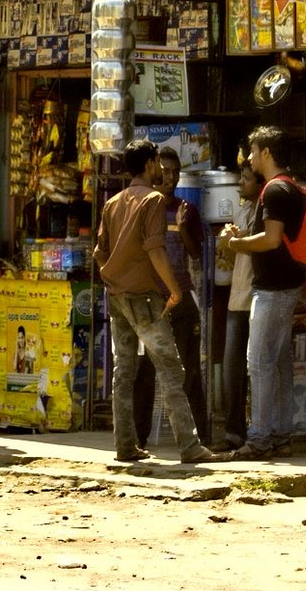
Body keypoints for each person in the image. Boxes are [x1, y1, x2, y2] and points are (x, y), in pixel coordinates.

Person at [94, 138, 225, 465]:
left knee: (123, 372)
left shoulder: (113, 203)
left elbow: (99, 252)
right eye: (157, 162)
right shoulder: (152, 200)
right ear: (150, 164)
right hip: (145, 297)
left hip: (118, 296)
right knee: (170, 368)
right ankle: (189, 446)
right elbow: (155, 249)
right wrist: (175, 290)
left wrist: (113, 280)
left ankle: (125, 445)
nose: (160, 169)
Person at [218, 126, 306, 461]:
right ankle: (280, 435)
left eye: (253, 151)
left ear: (267, 152)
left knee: (259, 363)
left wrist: (234, 243)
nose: (250, 158)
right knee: (279, 363)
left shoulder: (274, 191)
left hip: (273, 289)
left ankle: (259, 438)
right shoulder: (288, 188)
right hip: (285, 285)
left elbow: (271, 240)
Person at [132, 146, 209, 448]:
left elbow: (194, 252)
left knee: (190, 367)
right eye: (166, 172)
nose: (171, 178)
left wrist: (184, 224)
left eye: (176, 173)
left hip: (182, 293)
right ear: (153, 171)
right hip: (152, 297)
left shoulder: (187, 209)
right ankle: (138, 437)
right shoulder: (142, 207)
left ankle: (200, 436)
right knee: (145, 369)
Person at [220, 164, 262, 449]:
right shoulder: (243, 210)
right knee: (233, 368)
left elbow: (260, 244)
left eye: (246, 179)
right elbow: (232, 255)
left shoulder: (263, 210)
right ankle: (234, 432)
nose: (240, 184)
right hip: (238, 298)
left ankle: (258, 431)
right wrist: (229, 242)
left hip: (257, 298)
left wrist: (235, 240)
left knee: (258, 369)